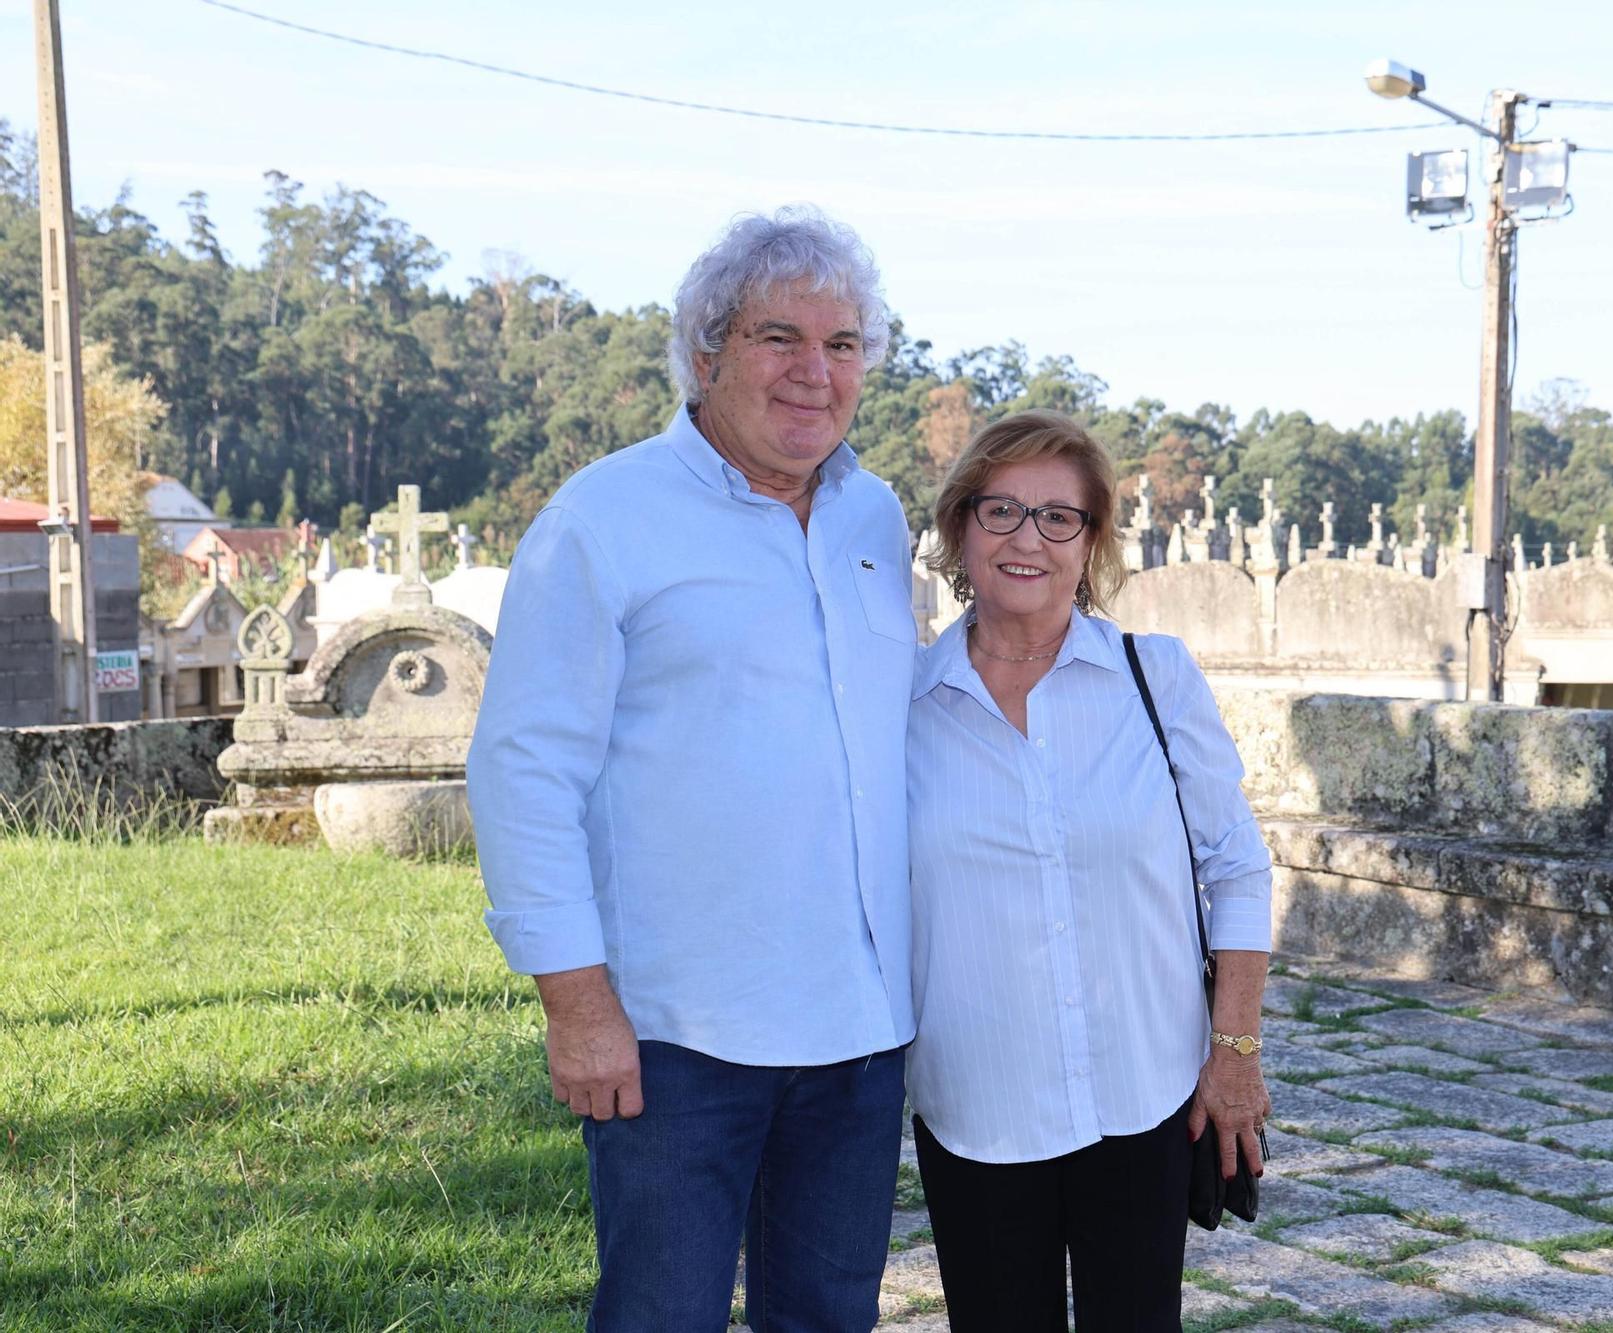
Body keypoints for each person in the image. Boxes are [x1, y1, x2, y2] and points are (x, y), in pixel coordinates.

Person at [467, 207, 918, 1332]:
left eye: (843, 344)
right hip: (675, 1031)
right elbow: (523, 771)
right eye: (781, 339)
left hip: (859, 1027)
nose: (816, 373)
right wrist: (575, 1004)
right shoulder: (602, 519)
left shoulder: (874, 514)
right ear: (706, 352)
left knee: (826, 1317)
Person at [905, 410, 1274, 1332]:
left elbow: (1235, 866)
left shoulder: (1158, 679)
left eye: (1058, 518)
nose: (1028, 539)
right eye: (1000, 511)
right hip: (977, 1097)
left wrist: (1233, 1054)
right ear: (958, 530)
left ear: (1093, 540)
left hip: (1144, 1091)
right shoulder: (901, 706)